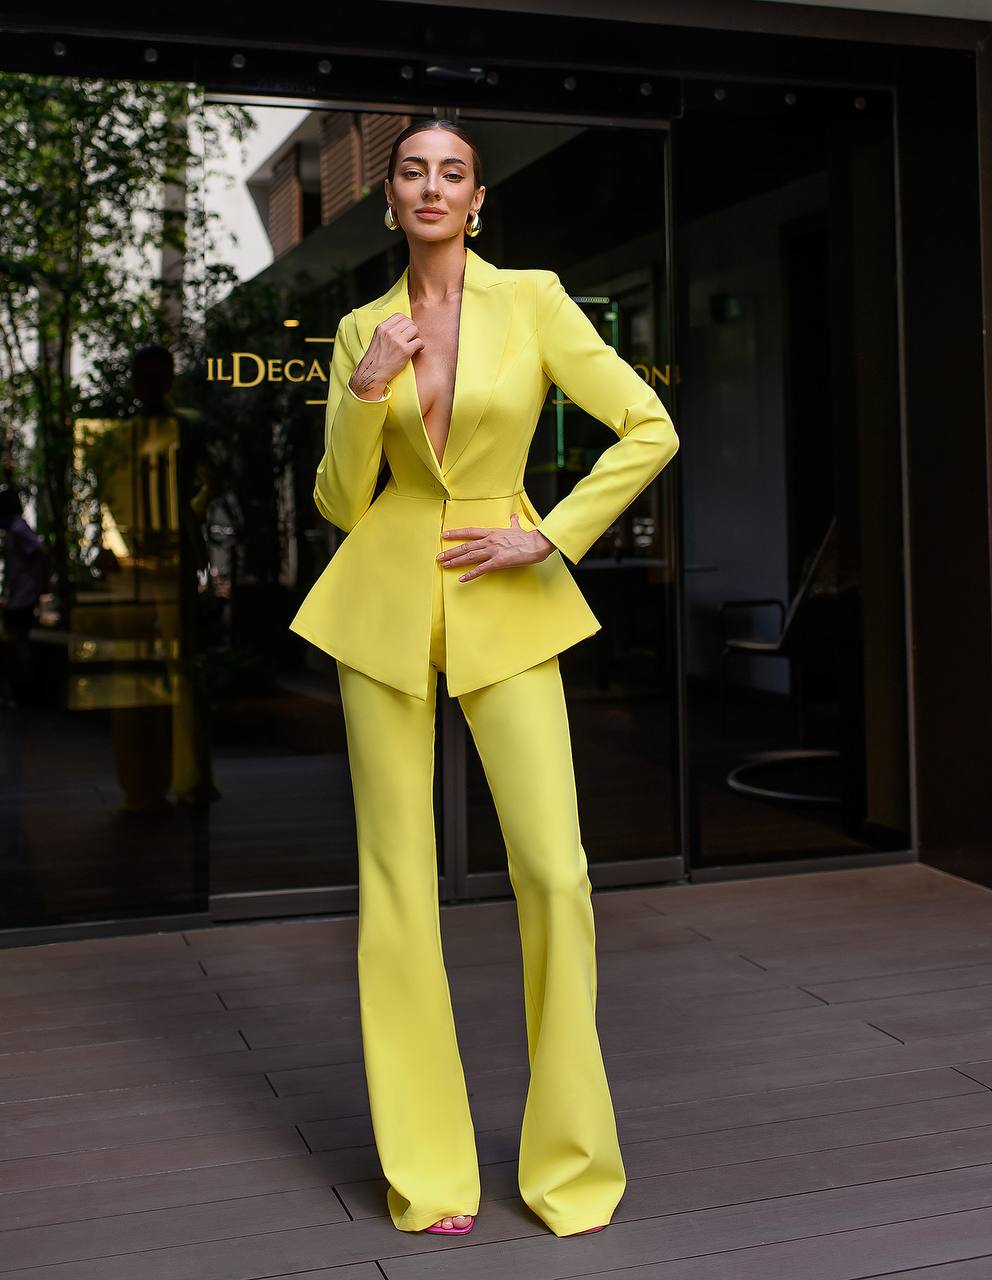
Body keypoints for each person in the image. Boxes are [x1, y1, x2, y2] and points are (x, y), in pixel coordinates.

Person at [289, 118, 680, 1239]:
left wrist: (549, 534)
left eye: (449, 171)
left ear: (477, 199)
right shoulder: (361, 326)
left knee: (554, 872)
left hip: (505, 593)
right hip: (383, 599)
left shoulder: (537, 300)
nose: (428, 185)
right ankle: (430, 1170)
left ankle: (568, 1165)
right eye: (410, 170)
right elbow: (333, 499)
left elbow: (646, 428)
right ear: (389, 198)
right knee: (397, 886)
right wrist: (366, 393)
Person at [0, 487, 47, 707]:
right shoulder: (16, 528)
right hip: (22, 593)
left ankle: (23, 692)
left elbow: (39, 550)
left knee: (17, 641)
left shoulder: (17, 528)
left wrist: (35, 583)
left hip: (23, 595)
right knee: (16, 640)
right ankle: (21, 691)